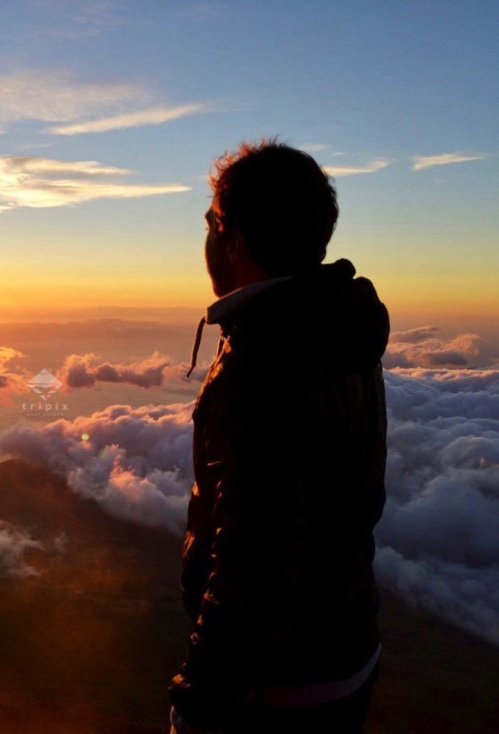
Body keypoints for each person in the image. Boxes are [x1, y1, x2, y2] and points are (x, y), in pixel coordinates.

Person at [169, 140, 389, 733]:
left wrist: (197, 700)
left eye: (214, 223)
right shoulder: (337, 326)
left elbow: (252, 566)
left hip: (279, 686)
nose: (208, 239)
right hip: (347, 650)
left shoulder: (263, 364)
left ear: (235, 240)